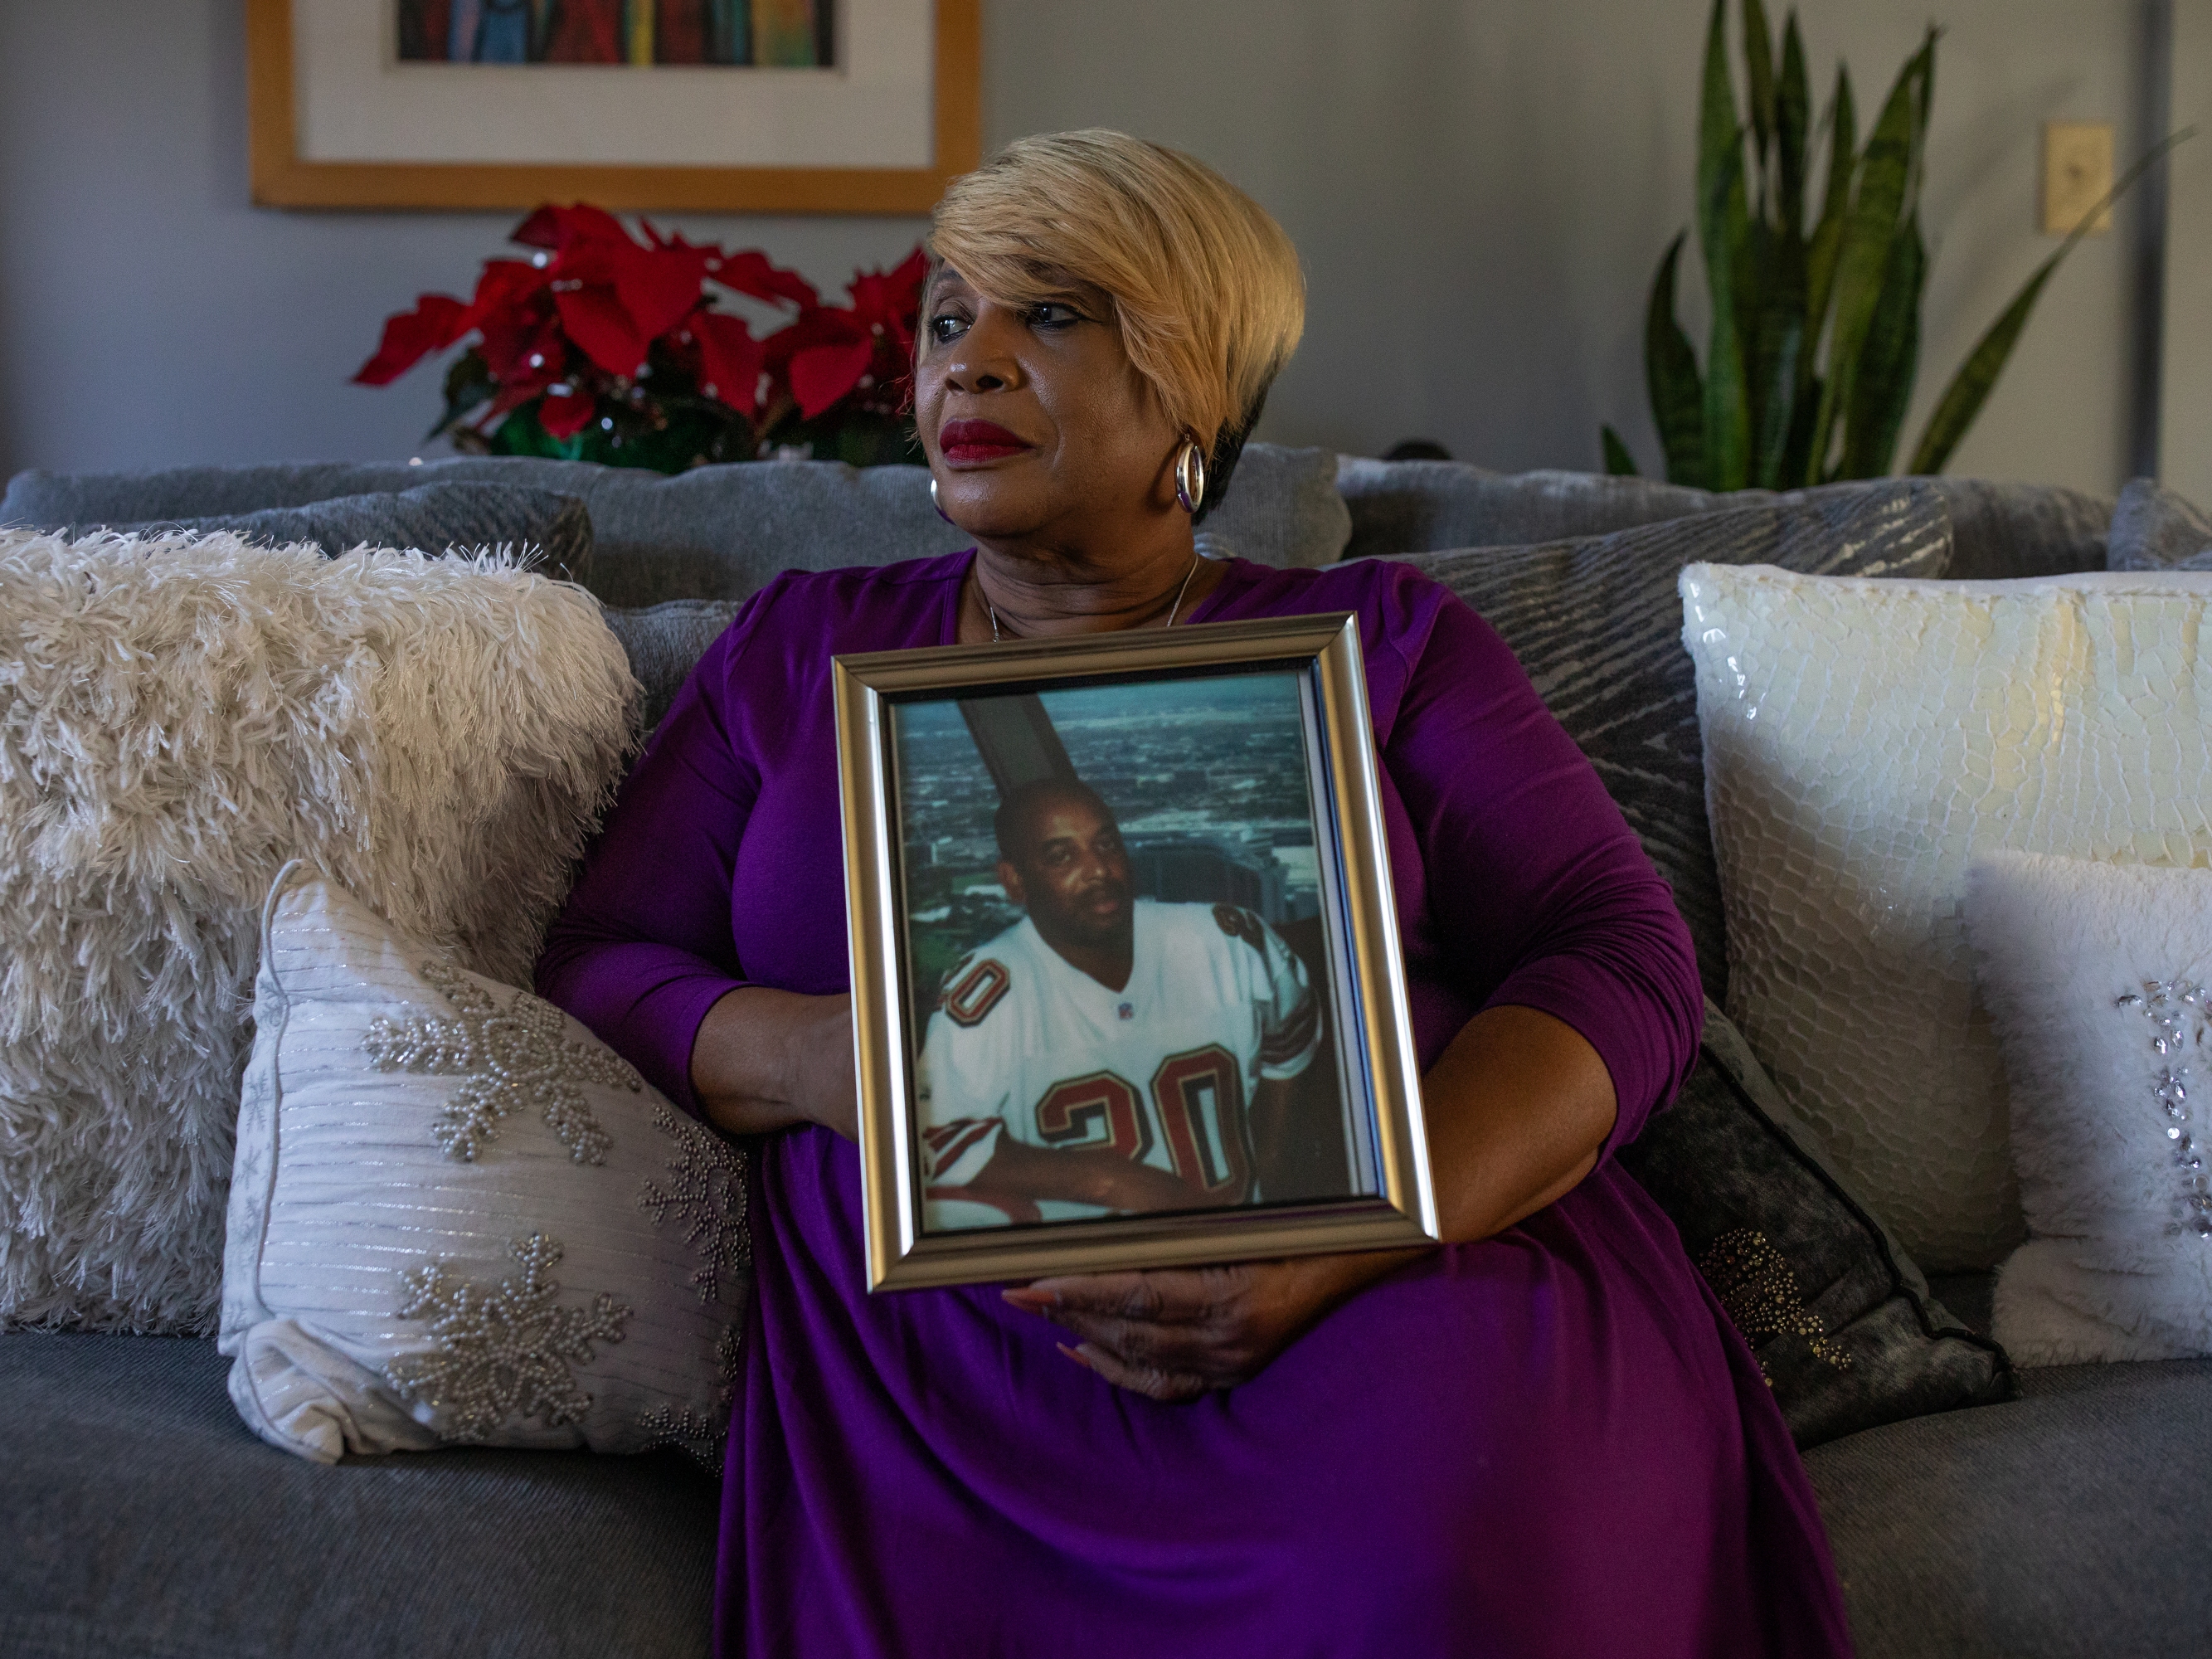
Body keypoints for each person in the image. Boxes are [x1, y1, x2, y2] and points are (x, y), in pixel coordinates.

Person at [537, 129, 1852, 1657]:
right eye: (947, 318)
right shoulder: (796, 651)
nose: (968, 365)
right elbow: (597, 959)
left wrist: (1365, 1229)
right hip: (943, 1372)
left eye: (1050, 314)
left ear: (1196, 385)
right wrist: (819, 1058)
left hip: (1388, 1298)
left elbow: (1623, 958)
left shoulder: (1384, 644)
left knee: (1435, 1560)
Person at [918, 776, 1323, 1228]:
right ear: (1014, 881)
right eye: (1061, 855)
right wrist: (1109, 1181)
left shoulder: (1228, 942)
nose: (1098, 870)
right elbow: (940, 1142)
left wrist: (1267, 1177)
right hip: (1084, 1275)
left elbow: (1289, 1048)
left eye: (1107, 844)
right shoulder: (989, 991)